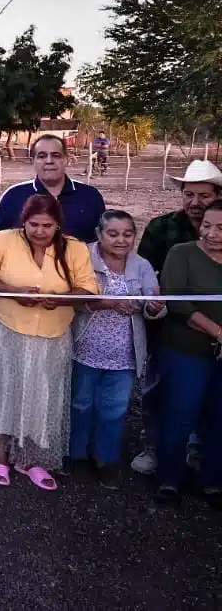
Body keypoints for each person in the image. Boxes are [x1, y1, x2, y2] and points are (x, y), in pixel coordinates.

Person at [0, 194, 99, 490]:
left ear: (58, 225)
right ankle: (0, 455)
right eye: (34, 224)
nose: (40, 231)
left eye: (47, 226)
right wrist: (14, 292)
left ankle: (31, 458)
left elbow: (88, 287)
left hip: (53, 334)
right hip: (8, 329)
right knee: (5, 391)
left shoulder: (75, 248)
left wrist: (61, 299)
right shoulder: (3, 240)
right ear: (23, 221)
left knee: (43, 396)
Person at [130, 159, 222, 475]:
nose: (195, 203)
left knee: (211, 394)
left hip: (215, 331)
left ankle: (196, 449)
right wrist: (154, 301)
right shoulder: (161, 226)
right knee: (159, 387)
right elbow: (142, 272)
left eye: (204, 196)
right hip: (169, 326)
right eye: (189, 195)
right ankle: (154, 446)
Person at [68, 210, 163, 489]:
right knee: (81, 404)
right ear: (99, 234)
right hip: (84, 346)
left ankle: (105, 459)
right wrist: (105, 303)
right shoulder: (83, 256)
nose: (121, 240)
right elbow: (70, 300)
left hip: (125, 352)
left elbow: (154, 301)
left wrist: (154, 307)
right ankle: (76, 456)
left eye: (128, 234)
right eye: (113, 233)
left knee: (115, 408)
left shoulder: (141, 265)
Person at [153, 199, 222, 508]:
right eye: (207, 226)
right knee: (180, 415)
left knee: (219, 418)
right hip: (186, 351)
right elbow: (177, 302)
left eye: (221, 228)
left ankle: (211, 481)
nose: (212, 234)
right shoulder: (181, 253)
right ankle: (169, 479)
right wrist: (217, 332)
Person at [0, 134, 106, 242]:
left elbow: (102, 241)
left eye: (56, 155)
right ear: (33, 161)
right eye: (42, 156)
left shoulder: (90, 196)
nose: (49, 161)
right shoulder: (14, 195)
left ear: (66, 159)